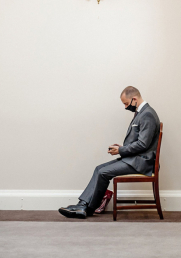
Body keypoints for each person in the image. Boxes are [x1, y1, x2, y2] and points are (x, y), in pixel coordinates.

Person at [58, 86, 161, 219]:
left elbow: (143, 144)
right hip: (134, 158)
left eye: (126, 103)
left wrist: (121, 150)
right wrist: (122, 147)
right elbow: (141, 141)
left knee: (103, 173)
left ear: (134, 99)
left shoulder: (147, 114)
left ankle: (86, 208)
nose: (125, 107)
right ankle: (83, 205)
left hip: (141, 162)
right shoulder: (142, 113)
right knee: (99, 169)